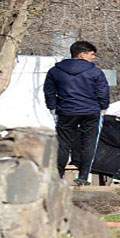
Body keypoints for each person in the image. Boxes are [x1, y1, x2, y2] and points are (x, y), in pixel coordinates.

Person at [43, 41, 110, 186]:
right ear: (82, 54)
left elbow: (49, 91)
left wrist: (52, 108)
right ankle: (83, 176)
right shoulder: (95, 72)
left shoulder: (55, 71)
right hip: (91, 111)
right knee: (89, 143)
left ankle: (57, 177)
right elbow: (103, 92)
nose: (94, 57)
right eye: (92, 54)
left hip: (65, 111)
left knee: (63, 144)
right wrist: (103, 107)